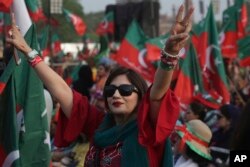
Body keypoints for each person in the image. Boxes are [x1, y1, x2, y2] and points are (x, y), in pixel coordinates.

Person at [7, 5, 194, 166]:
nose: (116, 95)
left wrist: (169, 55)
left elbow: (158, 94)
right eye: (111, 90)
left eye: (126, 90)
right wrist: (28, 51)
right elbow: (63, 90)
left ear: (140, 97)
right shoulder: (99, 125)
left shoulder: (146, 127)